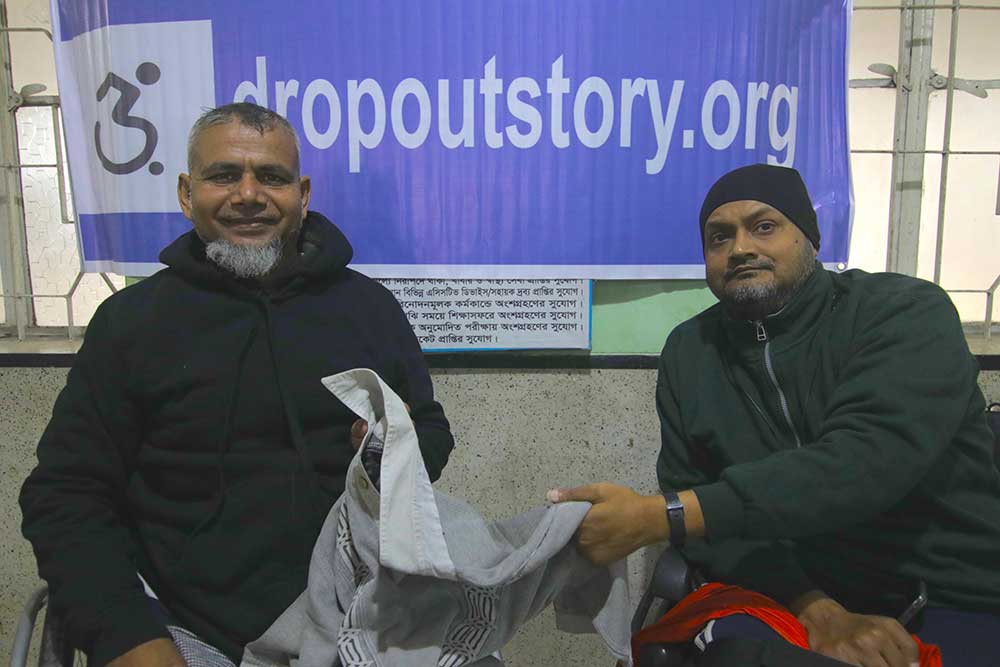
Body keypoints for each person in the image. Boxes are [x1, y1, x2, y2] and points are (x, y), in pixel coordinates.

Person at [19, 103, 454, 667]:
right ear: (186, 193)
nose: (248, 195)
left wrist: (388, 451)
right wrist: (126, 636)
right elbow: (65, 494)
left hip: (359, 611)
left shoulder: (369, 309)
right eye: (224, 175)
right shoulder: (131, 323)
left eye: (271, 177)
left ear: (302, 194)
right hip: (188, 628)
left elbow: (431, 433)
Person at [550, 164, 1000, 666]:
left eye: (764, 226)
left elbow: (860, 465)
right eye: (719, 237)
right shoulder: (689, 351)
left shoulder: (904, 312)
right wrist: (813, 606)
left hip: (947, 593)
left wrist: (659, 517)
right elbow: (703, 518)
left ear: (809, 238)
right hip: (790, 593)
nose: (740, 248)